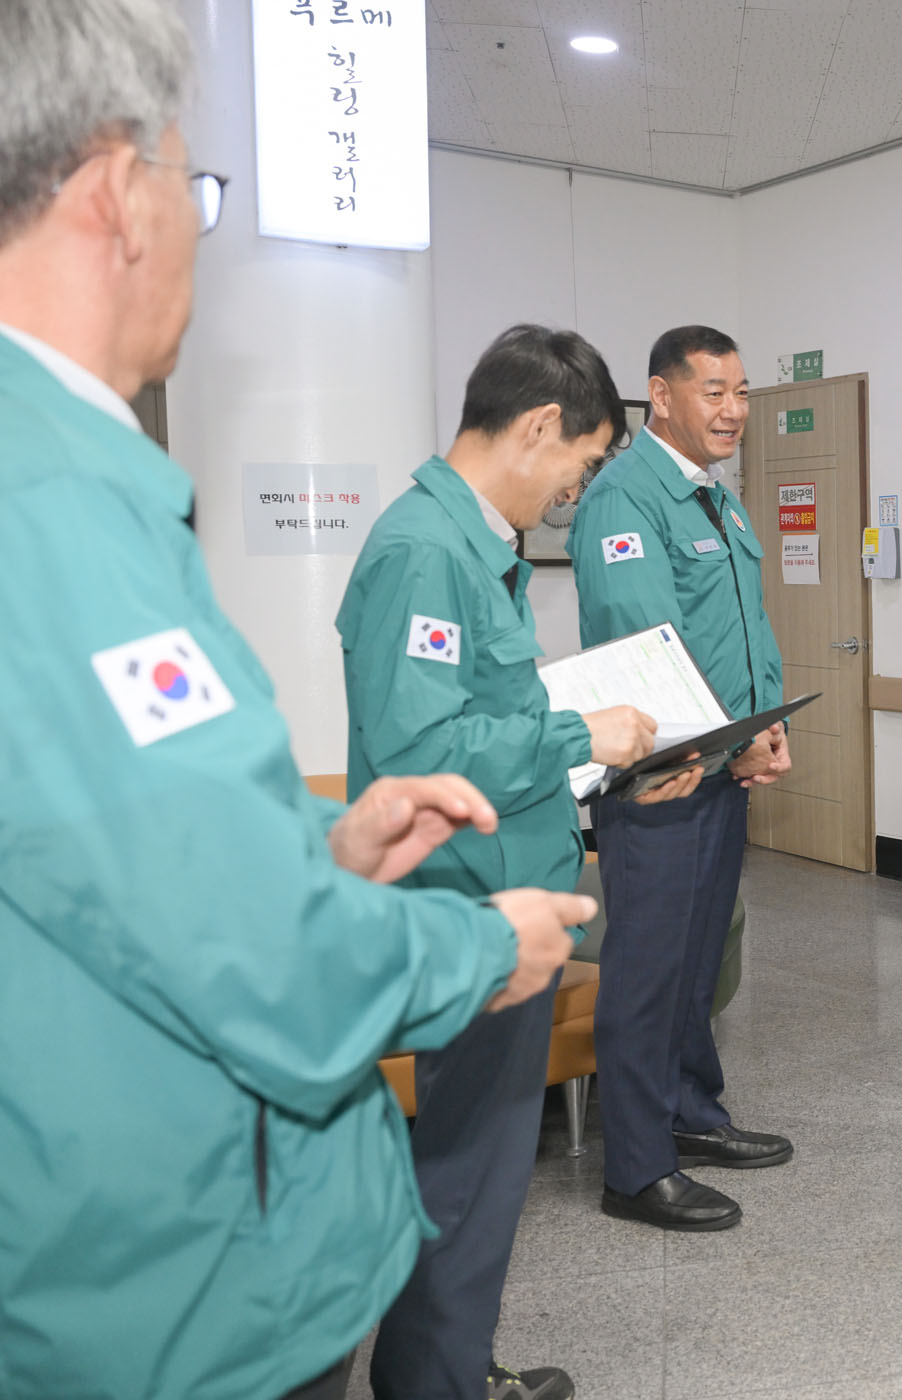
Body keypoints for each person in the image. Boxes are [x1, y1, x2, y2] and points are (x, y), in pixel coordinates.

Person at [0, 4, 587, 1396]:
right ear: (116, 195)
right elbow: (241, 944)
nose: (202, 231)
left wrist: (319, 846)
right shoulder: (58, 509)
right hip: (175, 1289)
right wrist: (474, 949)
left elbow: (115, 847)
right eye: (197, 186)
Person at [340, 326, 701, 1400]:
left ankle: (443, 1364)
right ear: (540, 425)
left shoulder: (469, 545)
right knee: (468, 1168)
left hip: (507, 899)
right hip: (467, 909)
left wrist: (607, 771)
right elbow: (419, 753)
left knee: (481, 1172)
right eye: (581, 464)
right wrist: (581, 735)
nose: (573, 492)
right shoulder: (425, 551)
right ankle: (438, 1382)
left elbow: (490, 722)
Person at [570, 325, 795, 1232]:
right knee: (648, 971)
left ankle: (691, 1113)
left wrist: (767, 726)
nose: (734, 410)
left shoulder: (717, 500)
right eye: (714, 392)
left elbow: (749, 627)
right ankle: (635, 1166)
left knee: (699, 958)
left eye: (742, 393)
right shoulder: (626, 498)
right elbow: (646, 650)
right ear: (660, 396)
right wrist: (723, 746)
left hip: (723, 770)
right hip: (660, 783)